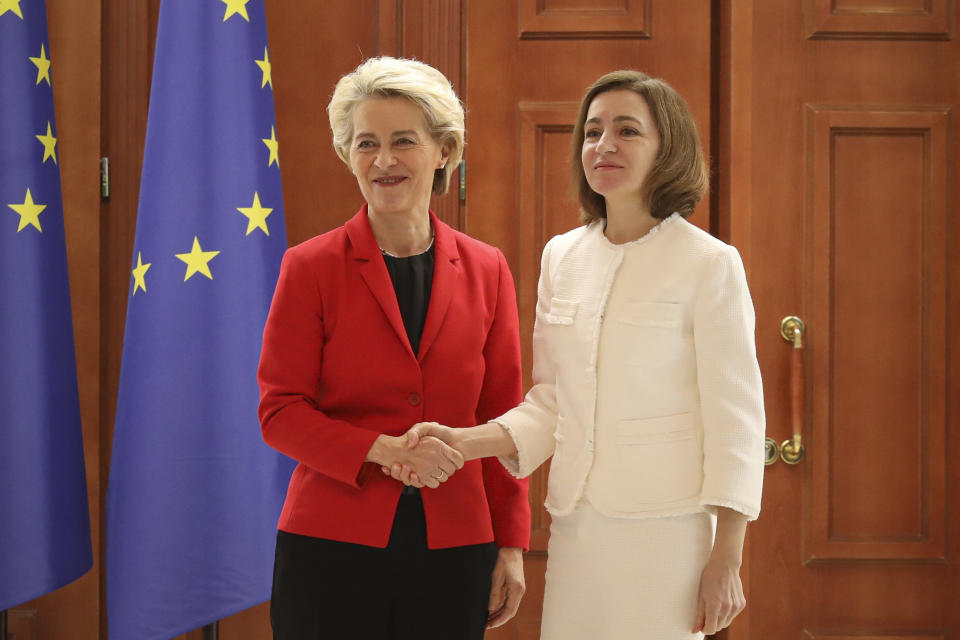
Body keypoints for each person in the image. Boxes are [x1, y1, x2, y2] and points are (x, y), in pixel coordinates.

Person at [396, 70, 766, 639]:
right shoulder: (562, 257)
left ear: (668, 147)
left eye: (627, 130)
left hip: (667, 531)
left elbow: (735, 420)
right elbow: (552, 402)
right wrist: (465, 442)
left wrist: (728, 557)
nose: (604, 145)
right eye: (592, 132)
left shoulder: (709, 264)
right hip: (576, 526)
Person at [257, 56, 529, 640]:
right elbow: (280, 414)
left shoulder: (489, 269)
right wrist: (383, 449)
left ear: (445, 151)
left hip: (456, 547)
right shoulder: (308, 267)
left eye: (403, 141)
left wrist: (511, 543)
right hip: (329, 545)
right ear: (347, 154)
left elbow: (505, 418)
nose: (383, 160)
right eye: (366, 143)